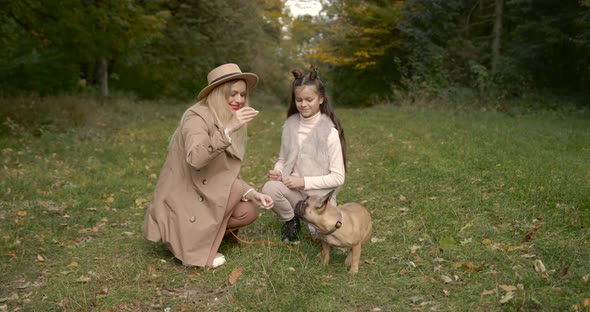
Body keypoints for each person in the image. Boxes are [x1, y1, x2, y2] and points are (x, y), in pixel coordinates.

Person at [143, 63, 274, 268]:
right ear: (218, 93)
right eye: (232, 94)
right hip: (185, 196)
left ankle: (208, 234)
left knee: (249, 210)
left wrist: (252, 193)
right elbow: (196, 159)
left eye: (242, 94)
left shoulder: (225, 117)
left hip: (204, 190)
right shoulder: (196, 117)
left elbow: (222, 173)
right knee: (229, 194)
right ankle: (191, 248)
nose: (239, 100)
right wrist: (228, 129)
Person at [262, 66, 347, 242]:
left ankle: (314, 219)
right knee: (269, 188)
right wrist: (278, 171)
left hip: (319, 199)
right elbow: (283, 159)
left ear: (321, 99)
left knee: (321, 235)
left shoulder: (329, 133)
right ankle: (290, 220)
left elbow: (338, 178)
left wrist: (303, 181)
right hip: (296, 193)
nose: (303, 104)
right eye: (299, 99)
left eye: (309, 99)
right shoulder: (290, 126)